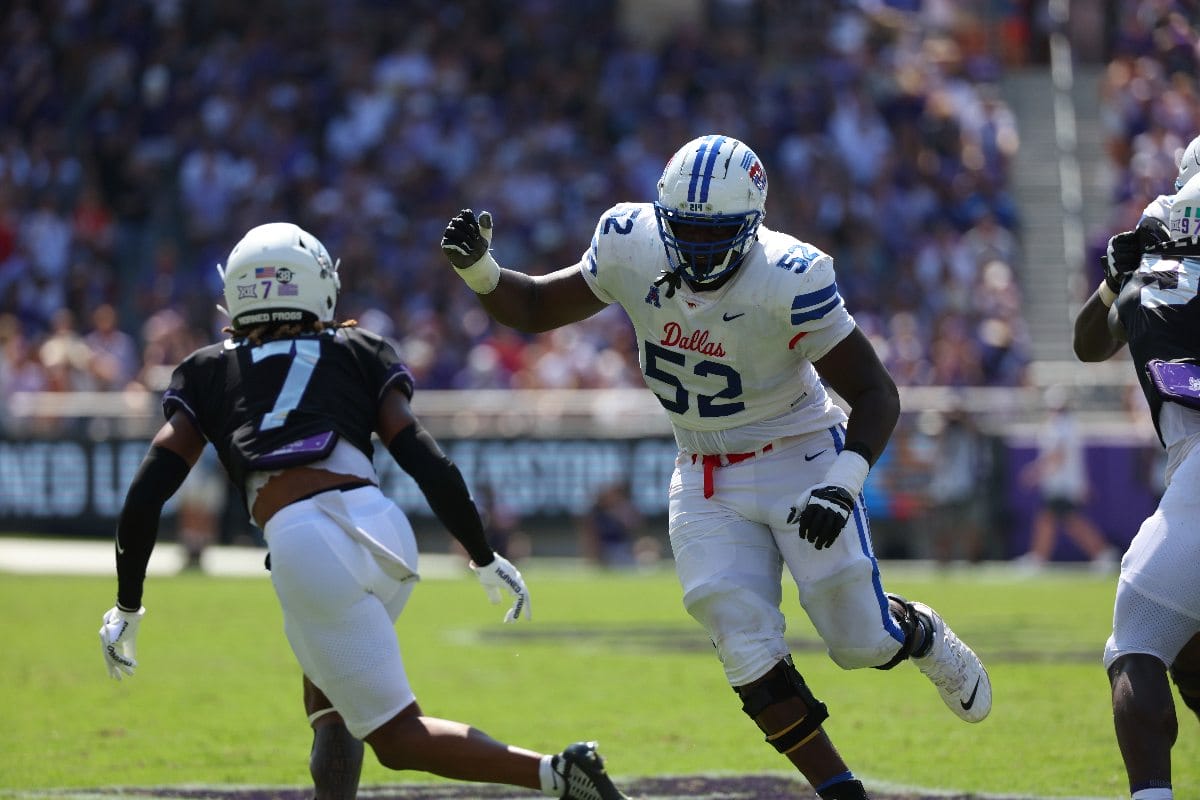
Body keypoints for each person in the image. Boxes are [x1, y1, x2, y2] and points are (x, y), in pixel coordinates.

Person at [441, 134, 991, 800]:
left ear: (753, 226)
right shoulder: (630, 242)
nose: (699, 248)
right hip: (703, 470)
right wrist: (480, 270)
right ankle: (839, 790)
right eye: (687, 231)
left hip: (798, 454)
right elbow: (532, 306)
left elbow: (876, 393)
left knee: (861, 643)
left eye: (717, 234)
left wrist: (843, 484)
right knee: (742, 642)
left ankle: (921, 634)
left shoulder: (790, 276)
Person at [97, 222, 631, 800]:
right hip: (384, 531)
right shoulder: (358, 347)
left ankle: (558, 773)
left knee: (396, 737)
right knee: (329, 702)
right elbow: (423, 456)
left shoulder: (206, 368)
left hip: (306, 546)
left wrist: (129, 602)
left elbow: (147, 491)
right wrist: (482, 553)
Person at [1072, 162, 1200, 800]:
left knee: (1140, 636)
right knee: (1191, 647)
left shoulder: (1149, 284)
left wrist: (1115, 281)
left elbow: (1088, 344)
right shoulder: (1149, 282)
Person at [1014, 386, 1118, 571]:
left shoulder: (1060, 426)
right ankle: (1041, 557)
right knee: (1058, 521)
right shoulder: (1068, 425)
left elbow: (1058, 454)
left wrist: (1035, 472)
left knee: (1065, 521)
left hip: (1061, 484)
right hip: (1064, 484)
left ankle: (1101, 553)